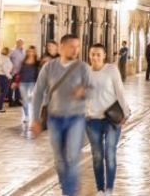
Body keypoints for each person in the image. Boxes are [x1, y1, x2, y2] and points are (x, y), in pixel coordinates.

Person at [30, 34, 92, 196]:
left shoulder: (83, 67)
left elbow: (93, 90)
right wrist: (35, 119)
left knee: (71, 157)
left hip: (76, 118)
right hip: (54, 119)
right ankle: (69, 187)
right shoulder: (49, 68)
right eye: (72, 46)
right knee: (59, 160)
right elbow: (38, 93)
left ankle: (69, 193)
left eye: (77, 46)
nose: (76, 50)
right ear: (61, 47)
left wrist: (84, 92)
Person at [86, 43, 131, 196]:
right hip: (92, 121)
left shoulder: (111, 70)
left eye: (98, 54)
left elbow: (120, 91)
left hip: (111, 119)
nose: (95, 57)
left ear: (104, 55)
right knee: (97, 156)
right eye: (93, 54)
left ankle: (109, 190)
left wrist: (126, 112)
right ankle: (100, 189)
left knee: (109, 153)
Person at [18, 46, 40, 134]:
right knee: (25, 99)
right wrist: (16, 82)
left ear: (34, 52)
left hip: (33, 83)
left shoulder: (37, 62)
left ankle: (35, 115)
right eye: (29, 51)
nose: (31, 53)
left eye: (32, 51)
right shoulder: (23, 61)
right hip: (23, 82)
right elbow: (20, 72)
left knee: (32, 99)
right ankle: (27, 116)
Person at [0, 47, 13, 113]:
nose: (11, 53)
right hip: (3, 76)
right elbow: (5, 68)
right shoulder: (6, 59)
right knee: (3, 92)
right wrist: (9, 76)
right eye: (10, 52)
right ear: (8, 52)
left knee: (1, 92)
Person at [9, 38, 25, 106]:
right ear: (16, 43)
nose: (20, 44)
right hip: (14, 72)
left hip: (21, 72)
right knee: (12, 87)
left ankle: (17, 100)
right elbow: (8, 59)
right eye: (18, 42)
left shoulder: (24, 51)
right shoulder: (12, 51)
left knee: (18, 87)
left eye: (21, 42)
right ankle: (11, 101)